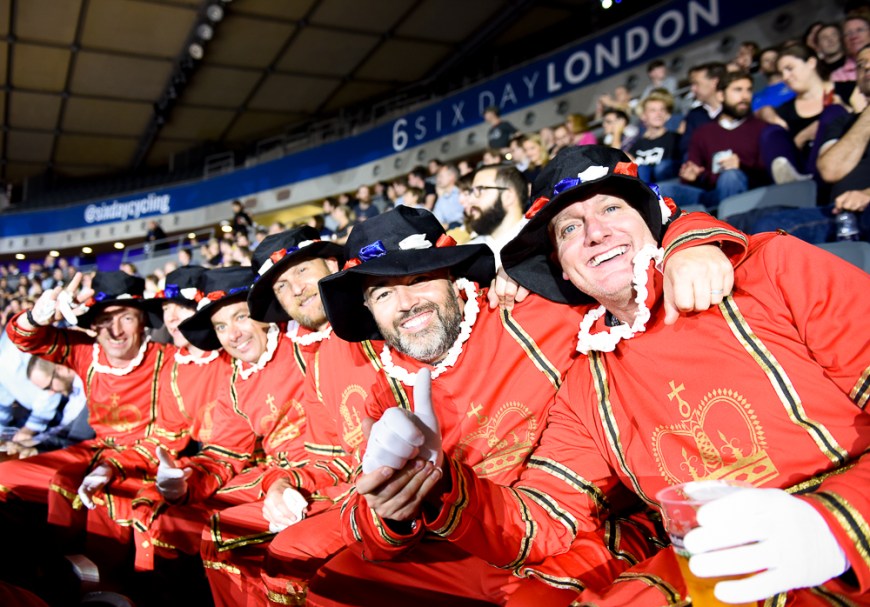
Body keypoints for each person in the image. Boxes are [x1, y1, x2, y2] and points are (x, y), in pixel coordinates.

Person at [396, 145, 870, 606]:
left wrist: (834, 523)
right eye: (569, 229)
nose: (595, 234)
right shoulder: (585, 383)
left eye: (611, 208)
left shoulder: (772, 270)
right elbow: (544, 519)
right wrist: (441, 483)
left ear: (652, 221)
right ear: (562, 266)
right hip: (711, 574)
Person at [296, 200, 740, 607]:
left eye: (418, 280)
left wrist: (691, 238)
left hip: (582, 522)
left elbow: (621, 262)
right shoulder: (385, 384)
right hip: (471, 536)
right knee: (332, 587)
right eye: (384, 294)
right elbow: (368, 526)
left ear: (452, 276)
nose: (407, 304)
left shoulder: (532, 310)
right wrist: (395, 510)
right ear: (370, 313)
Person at [759, 43, 850, 185]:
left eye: (790, 69)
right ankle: (793, 186)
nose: (786, 77)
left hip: (841, 165)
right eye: (781, 73)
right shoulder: (784, 111)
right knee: (771, 131)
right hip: (802, 171)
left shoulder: (846, 90)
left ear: (811, 63)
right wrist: (804, 136)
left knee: (833, 112)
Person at [676, 71, 769, 208]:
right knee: (662, 190)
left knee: (730, 176)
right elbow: (695, 169)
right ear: (720, 95)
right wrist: (690, 175)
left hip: (750, 193)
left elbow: (769, 172)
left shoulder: (762, 128)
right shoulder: (703, 132)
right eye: (738, 90)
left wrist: (741, 165)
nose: (745, 96)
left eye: (749, 90)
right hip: (710, 194)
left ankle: (726, 227)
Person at [462, 164, 529, 266]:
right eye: (471, 192)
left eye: (480, 190)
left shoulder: (537, 240)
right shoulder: (470, 251)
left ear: (508, 197)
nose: (470, 200)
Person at [629, 90, 681, 183]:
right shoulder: (638, 145)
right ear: (643, 116)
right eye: (653, 110)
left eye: (662, 110)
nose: (659, 114)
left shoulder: (676, 138)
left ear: (667, 115)